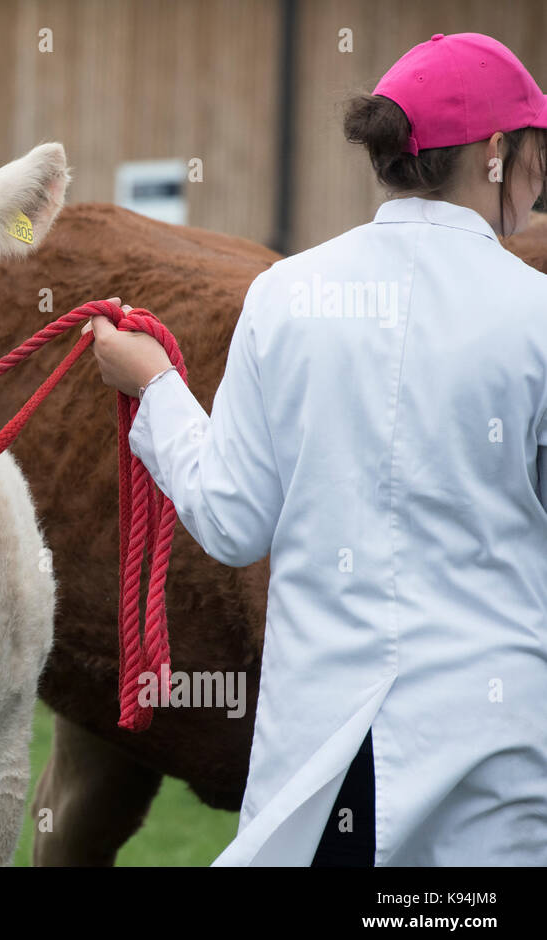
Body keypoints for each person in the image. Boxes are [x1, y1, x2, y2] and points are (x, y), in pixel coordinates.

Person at [87, 32, 547, 865]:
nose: (539, 176)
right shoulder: (537, 314)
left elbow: (230, 522)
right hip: (496, 769)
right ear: (492, 153)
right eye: (535, 153)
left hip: (322, 768)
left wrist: (154, 387)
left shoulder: (285, 297)